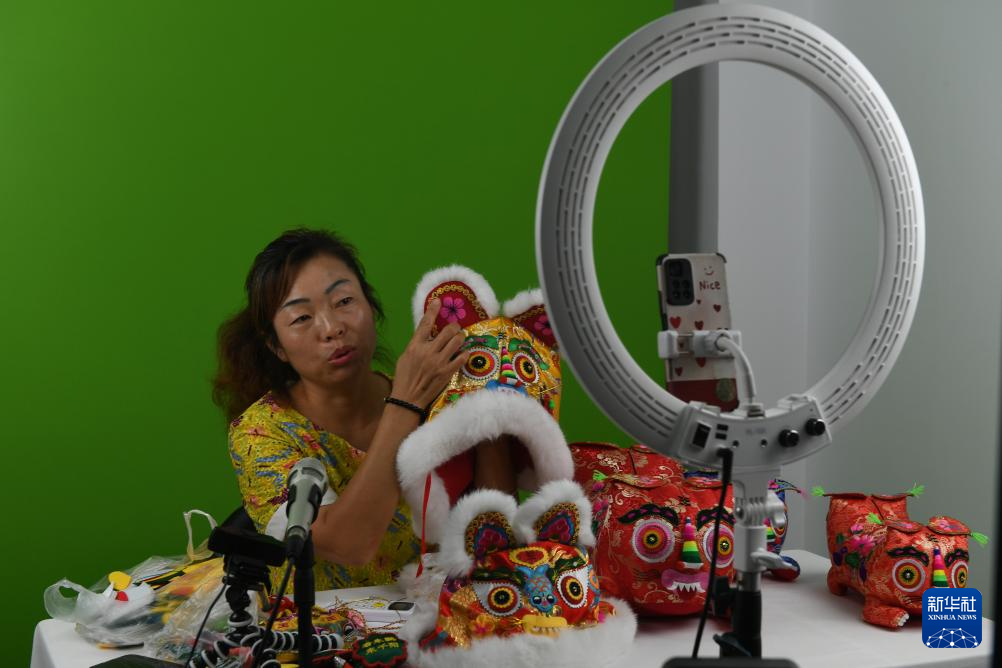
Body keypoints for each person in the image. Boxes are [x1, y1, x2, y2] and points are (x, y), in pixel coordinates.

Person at [213, 228, 487, 590]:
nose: (332, 328)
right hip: (320, 623)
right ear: (277, 347)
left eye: (343, 301)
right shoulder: (260, 432)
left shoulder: (438, 397)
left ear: (370, 306)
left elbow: (489, 529)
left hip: (438, 615)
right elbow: (349, 546)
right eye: (301, 318)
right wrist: (406, 404)